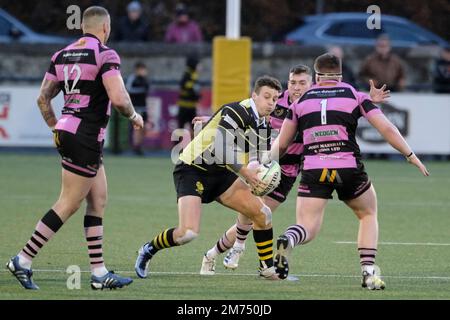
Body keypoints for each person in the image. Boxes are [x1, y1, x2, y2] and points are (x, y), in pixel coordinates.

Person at [198, 67, 390, 275]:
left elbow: (348, 103)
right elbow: (247, 112)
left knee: (260, 215)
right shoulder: (276, 101)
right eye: (292, 83)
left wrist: (368, 100)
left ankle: (216, 252)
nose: (296, 87)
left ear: (313, 84)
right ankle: (234, 248)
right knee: (253, 210)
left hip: (290, 171)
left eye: (301, 83)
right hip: (268, 162)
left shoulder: (315, 102)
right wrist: (211, 119)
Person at [6, 6, 144, 290]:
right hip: (86, 135)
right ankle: (23, 259)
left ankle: (98, 273)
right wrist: (134, 116)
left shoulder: (61, 55)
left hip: (70, 131)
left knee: (98, 199)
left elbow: (43, 98)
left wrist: (58, 126)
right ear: (105, 28)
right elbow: (118, 98)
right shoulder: (106, 54)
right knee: (68, 203)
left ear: (83, 27)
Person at [271, 53, 429, 290]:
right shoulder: (354, 95)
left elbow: (282, 144)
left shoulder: (299, 103)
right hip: (348, 168)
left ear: (316, 77)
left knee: (308, 226)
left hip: (314, 168)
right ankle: (367, 273)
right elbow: (386, 127)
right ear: (341, 75)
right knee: (367, 214)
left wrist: (265, 164)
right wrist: (410, 155)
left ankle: (290, 239)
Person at [134, 76, 283, 280]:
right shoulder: (238, 111)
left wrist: (259, 175)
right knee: (187, 233)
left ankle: (266, 268)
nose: (271, 103)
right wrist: (246, 172)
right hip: (192, 168)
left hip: (221, 174)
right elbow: (220, 147)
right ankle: (148, 249)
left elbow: (258, 158)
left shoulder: (264, 125)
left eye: (275, 99)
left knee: (263, 214)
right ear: (254, 95)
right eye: (267, 97)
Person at [126, 61, 150, 155]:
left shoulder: (145, 79)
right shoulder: (133, 78)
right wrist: (141, 90)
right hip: (135, 107)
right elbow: (128, 90)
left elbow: (146, 90)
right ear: (137, 70)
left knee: (144, 128)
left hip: (143, 107)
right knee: (137, 127)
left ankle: (139, 145)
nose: (143, 71)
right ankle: (136, 147)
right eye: (141, 69)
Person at [177, 56, 201, 135]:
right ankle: (177, 145)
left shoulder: (194, 75)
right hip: (184, 106)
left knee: (193, 127)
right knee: (181, 127)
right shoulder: (187, 75)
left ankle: (192, 145)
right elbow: (185, 87)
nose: (200, 67)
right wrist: (195, 94)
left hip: (191, 106)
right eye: (198, 64)